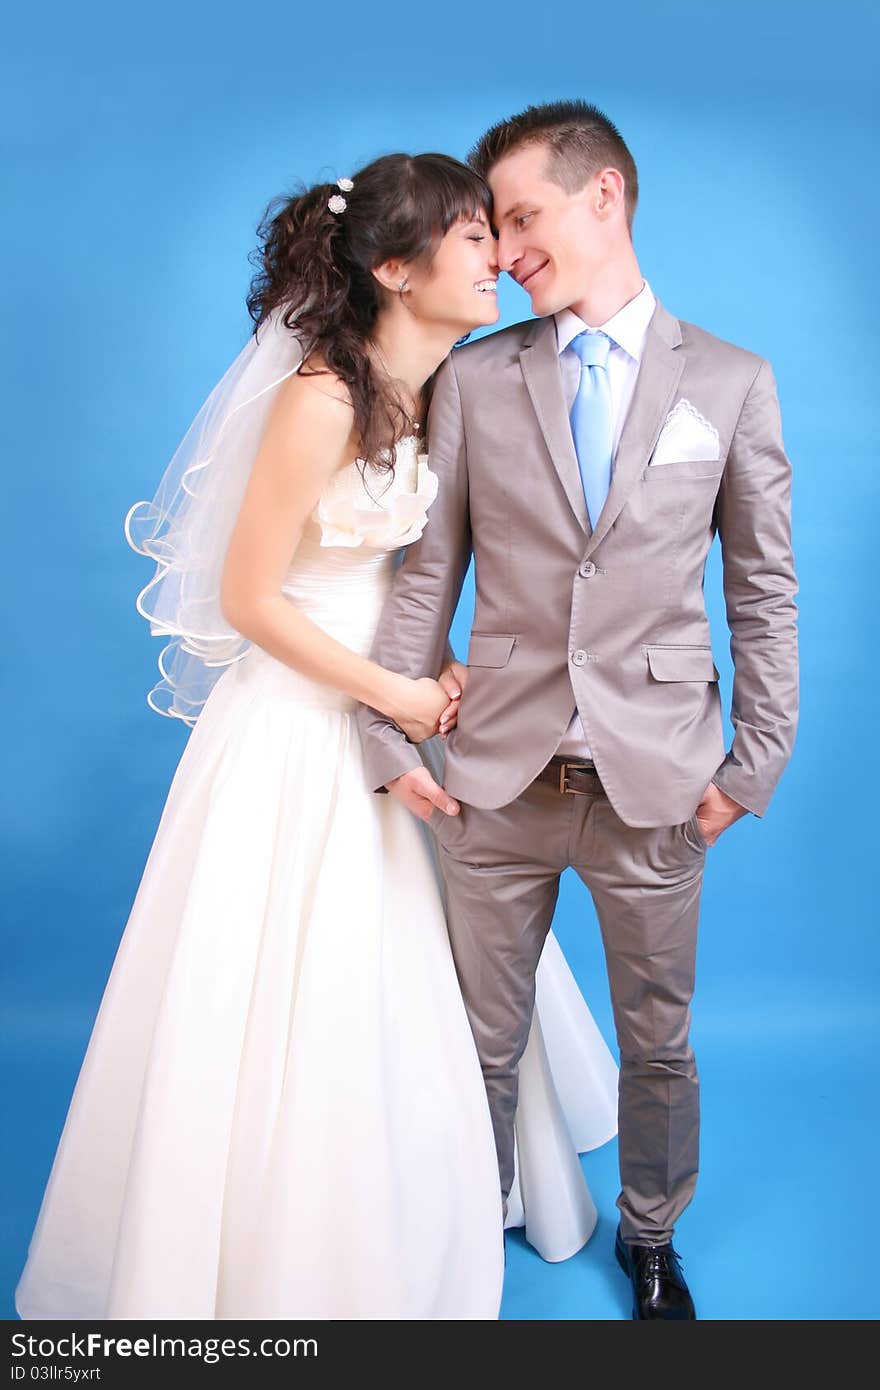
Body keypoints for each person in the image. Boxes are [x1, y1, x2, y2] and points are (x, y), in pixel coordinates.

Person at [15, 152, 619, 1322]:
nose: (496, 256)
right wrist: (388, 693)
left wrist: (433, 667)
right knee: (308, 991)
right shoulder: (318, 399)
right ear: (394, 268)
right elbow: (249, 600)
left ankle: (424, 1200)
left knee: (435, 982)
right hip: (297, 722)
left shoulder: (439, 385)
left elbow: (404, 572)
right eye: (470, 237)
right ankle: (289, 1259)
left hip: (391, 705)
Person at [357, 103, 799, 1320]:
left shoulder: (730, 382)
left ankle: (650, 1237)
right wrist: (388, 739)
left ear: (604, 195)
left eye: (521, 216)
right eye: (492, 227)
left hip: (659, 781)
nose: (499, 249)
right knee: (476, 1043)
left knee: (659, 1041)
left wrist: (751, 763)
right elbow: (425, 574)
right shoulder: (476, 377)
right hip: (491, 779)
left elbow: (763, 590)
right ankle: (464, 1238)